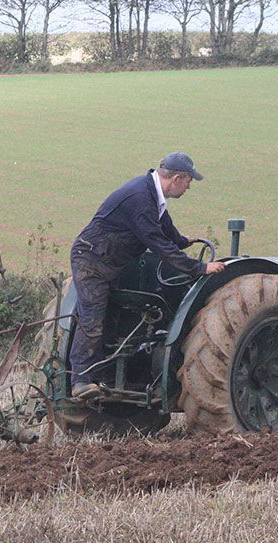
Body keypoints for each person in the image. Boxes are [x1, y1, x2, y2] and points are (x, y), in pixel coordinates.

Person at [69, 152, 226, 399]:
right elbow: (159, 245)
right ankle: (80, 381)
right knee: (92, 319)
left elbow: (164, 227)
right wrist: (200, 268)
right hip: (92, 261)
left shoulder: (152, 195)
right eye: (188, 182)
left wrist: (183, 241)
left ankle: (106, 378)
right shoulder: (141, 199)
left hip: (110, 262)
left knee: (112, 320)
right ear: (176, 178)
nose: (189, 187)